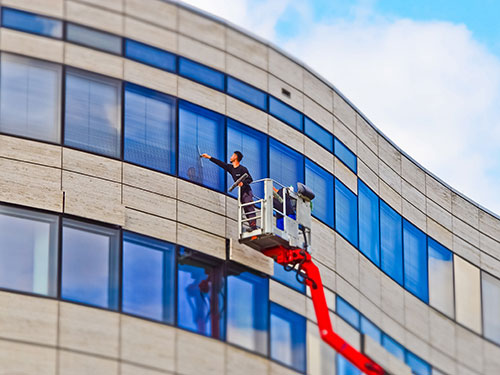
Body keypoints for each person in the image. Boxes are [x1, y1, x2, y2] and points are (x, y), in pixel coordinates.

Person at [201, 151, 257, 230]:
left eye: (232, 155)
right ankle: (252, 226)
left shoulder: (242, 169)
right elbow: (221, 164)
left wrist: (243, 183)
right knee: (245, 209)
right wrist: (209, 157)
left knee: (248, 206)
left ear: (236, 157)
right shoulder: (231, 168)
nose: (231, 157)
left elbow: (250, 179)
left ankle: (253, 225)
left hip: (246, 191)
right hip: (241, 192)